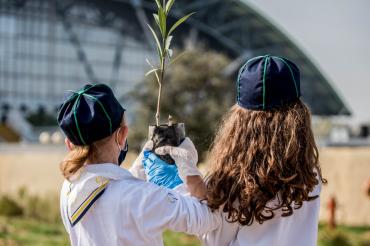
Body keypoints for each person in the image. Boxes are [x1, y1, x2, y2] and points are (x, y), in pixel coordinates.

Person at [143, 55, 326, 246]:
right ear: (298, 114)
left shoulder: (235, 180)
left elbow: (213, 236)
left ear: (239, 122)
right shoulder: (309, 174)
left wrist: (179, 185)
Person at [57, 84, 220, 246]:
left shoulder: (69, 187)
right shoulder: (143, 197)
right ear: (122, 136)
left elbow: (112, 194)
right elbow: (209, 217)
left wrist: (138, 168)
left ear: (69, 144)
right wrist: (188, 173)